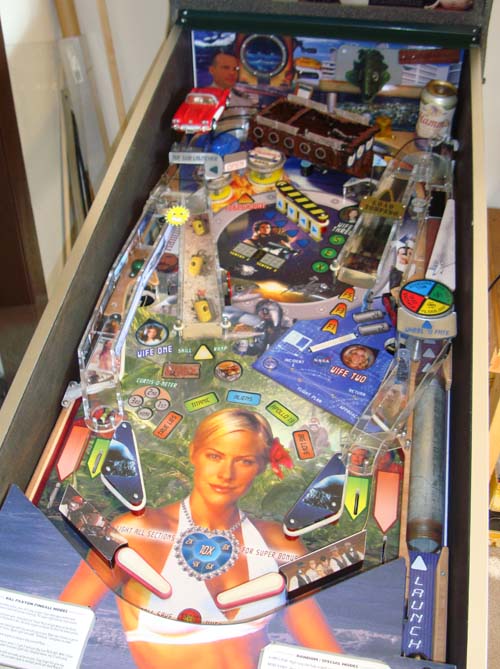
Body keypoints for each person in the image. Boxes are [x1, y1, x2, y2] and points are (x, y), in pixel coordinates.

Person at [60, 408, 342, 669]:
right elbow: (62, 626)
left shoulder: (278, 541)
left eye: (244, 461)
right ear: (194, 453)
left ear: (260, 466)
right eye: (215, 456)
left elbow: (326, 654)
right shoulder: (134, 532)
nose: (226, 474)